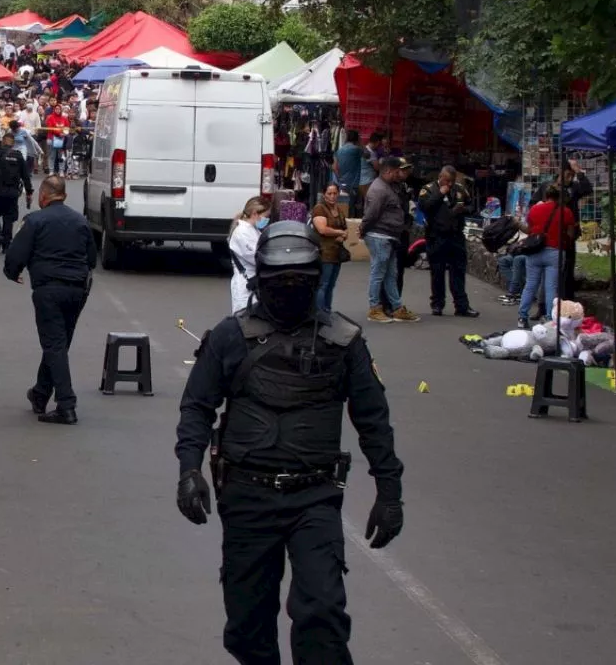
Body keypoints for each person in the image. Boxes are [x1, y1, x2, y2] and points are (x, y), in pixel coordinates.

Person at [174, 221, 405, 665]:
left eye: (301, 281)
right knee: (247, 628)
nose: (290, 291)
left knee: (322, 613)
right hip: (247, 496)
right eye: (281, 282)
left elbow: (373, 421)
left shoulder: (343, 341)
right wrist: (189, 471)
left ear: (316, 281)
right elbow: (197, 407)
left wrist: (390, 493)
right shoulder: (229, 336)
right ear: (261, 281)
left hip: (314, 497)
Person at [3, 176, 95, 425]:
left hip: (49, 290)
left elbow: (16, 254)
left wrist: (13, 273)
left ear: (44, 195)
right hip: (77, 290)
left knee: (54, 345)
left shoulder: (35, 220)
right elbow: (92, 258)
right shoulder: (80, 221)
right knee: (59, 344)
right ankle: (40, 393)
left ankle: (67, 405)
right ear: (63, 194)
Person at [360, 156, 420, 323]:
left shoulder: (390, 186)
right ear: (387, 171)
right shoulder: (379, 189)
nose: (397, 175)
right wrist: (363, 228)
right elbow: (371, 214)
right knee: (378, 273)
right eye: (395, 172)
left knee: (390, 274)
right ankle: (374, 307)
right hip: (380, 235)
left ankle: (396, 307)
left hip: (390, 236)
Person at [419, 166, 478, 317]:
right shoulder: (429, 189)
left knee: (458, 272)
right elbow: (425, 207)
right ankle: (437, 305)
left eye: (452, 181)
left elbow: (472, 206)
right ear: (440, 177)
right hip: (436, 236)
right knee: (437, 272)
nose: (450, 184)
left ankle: (462, 306)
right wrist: (440, 193)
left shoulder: (460, 189)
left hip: (455, 235)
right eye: (447, 181)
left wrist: (463, 209)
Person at [517, 184, 575, 329]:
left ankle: (522, 317)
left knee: (530, 285)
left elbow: (529, 229)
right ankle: (550, 319)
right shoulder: (566, 212)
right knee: (551, 288)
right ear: (560, 197)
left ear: (545, 196)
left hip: (535, 251)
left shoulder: (535, 209)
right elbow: (571, 235)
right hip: (555, 252)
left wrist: (516, 223)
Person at [535, 160, 592, 301]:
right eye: (567, 175)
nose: (569, 178)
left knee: (567, 269)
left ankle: (567, 301)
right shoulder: (546, 187)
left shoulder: (574, 187)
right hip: (549, 234)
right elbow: (534, 202)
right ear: (560, 172)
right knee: (548, 272)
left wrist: (578, 172)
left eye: (572, 176)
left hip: (568, 235)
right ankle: (544, 306)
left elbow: (588, 189)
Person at [310, 182, 348, 314]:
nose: (332, 196)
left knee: (331, 285)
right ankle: (320, 313)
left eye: (335, 193)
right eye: (329, 193)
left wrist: (343, 235)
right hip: (324, 253)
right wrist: (339, 233)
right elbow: (322, 229)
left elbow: (344, 229)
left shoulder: (339, 210)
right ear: (324, 195)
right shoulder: (320, 209)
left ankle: (327, 310)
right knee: (323, 284)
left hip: (336, 253)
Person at [228, 197, 270, 313]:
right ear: (255, 213)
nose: (267, 220)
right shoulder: (242, 232)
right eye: (266, 216)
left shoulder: (254, 230)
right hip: (245, 284)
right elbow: (256, 258)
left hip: (254, 282)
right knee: (244, 321)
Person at [45, 104, 71, 176]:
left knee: (61, 156)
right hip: (51, 138)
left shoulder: (64, 118)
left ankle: (61, 171)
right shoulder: (50, 118)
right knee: (51, 155)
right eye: (56, 109)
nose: (57, 110)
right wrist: (59, 133)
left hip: (62, 139)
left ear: (61, 110)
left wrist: (64, 133)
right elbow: (51, 128)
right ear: (54, 109)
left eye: (59, 109)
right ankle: (51, 170)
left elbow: (67, 127)